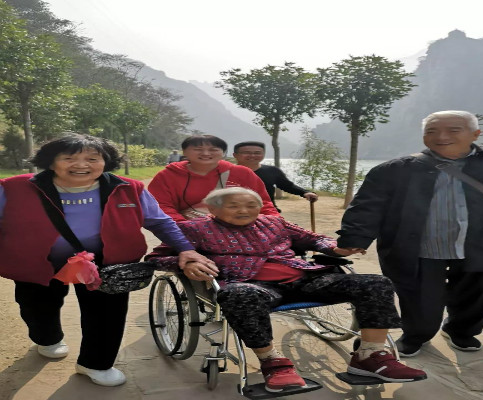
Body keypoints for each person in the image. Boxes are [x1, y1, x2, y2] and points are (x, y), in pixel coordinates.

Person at [337, 110, 483, 357]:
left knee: (475, 294)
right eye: (432, 131)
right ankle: (416, 334)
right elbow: (368, 205)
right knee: (419, 298)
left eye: (453, 130)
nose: (441, 137)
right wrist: (354, 238)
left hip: (481, 243)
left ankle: (461, 331)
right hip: (419, 247)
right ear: (424, 136)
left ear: (475, 134)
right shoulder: (395, 169)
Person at [147, 187, 427, 392]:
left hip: (304, 280)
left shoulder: (274, 222)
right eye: (233, 206)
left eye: (251, 205)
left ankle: (370, 356)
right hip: (251, 284)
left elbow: (313, 239)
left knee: (375, 283)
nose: (244, 210)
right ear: (213, 209)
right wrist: (187, 262)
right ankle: (272, 362)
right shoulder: (193, 229)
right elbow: (157, 257)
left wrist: (335, 248)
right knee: (239, 295)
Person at [0, 134, 213, 387]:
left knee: (107, 314)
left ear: (106, 161)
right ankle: (47, 338)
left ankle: (96, 363)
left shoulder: (128, 188)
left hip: (108, 262)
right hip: (37, 260)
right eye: (69, 158)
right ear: (51, 161)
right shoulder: (14, 188)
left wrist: (186, 249)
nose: (82, 165)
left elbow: (160, 222)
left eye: (93, 159)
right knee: (37, 307)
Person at [148, 135, 278, 222]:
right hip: (188, 231)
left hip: (241, 228)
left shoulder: (242, 173)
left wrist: (274, 221)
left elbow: (262, 202)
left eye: (213, 149)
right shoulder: (167, 176)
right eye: (198, 149)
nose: (206, 153)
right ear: (185, 152)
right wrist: (184, 226)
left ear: (223, 153)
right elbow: (161, 206)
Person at [233, 141, 318, 212]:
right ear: (235, 155)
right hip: (233, 212)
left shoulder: (272, 171)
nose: (252, 156)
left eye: (257, 153)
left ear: (263, 154)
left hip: (266, 212)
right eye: (246, 153)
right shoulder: (227, 172)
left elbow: (287, 186)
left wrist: (305, 192)